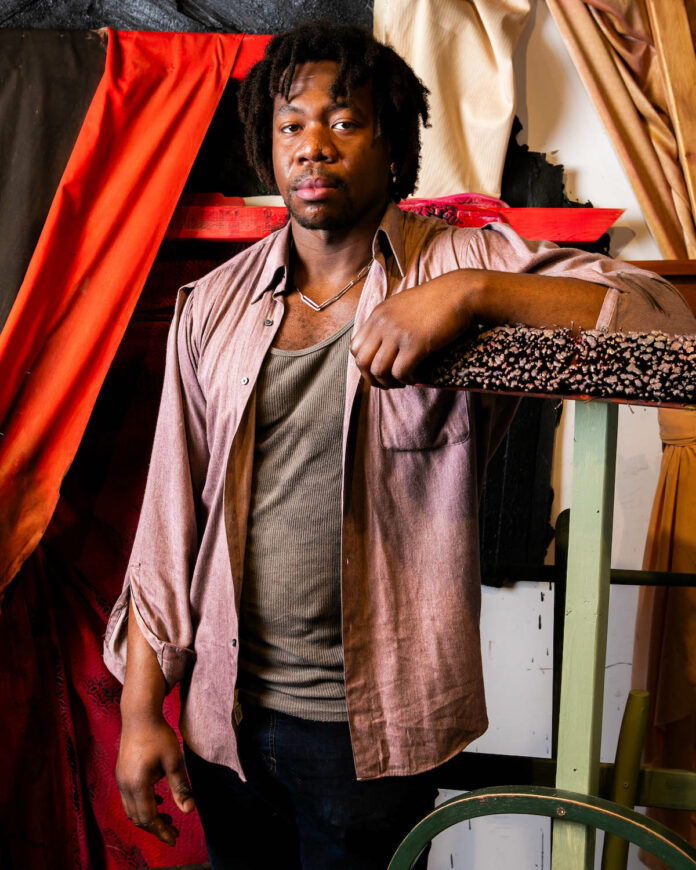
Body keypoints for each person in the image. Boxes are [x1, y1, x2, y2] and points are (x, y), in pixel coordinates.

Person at [103, 21, 695, 870]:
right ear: (269, 148)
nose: (314, 145)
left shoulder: (458, 260)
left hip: (372, 738)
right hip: (223, 722)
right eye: (292, 125)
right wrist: (139, 712)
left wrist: (471, 294)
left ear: (393, 149)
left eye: (344, 121)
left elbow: (664, 319)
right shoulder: (213, 306)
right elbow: (168, 528)